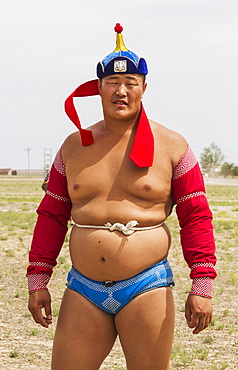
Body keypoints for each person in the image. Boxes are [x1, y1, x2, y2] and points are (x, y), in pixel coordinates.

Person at [27, 23, 216, 370]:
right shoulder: (72, 147)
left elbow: (197, 217)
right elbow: (51, 215)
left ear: (144, 88)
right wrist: (38, 279)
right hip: (83, 289)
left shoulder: (174, 146)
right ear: (98, 88)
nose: (121, 90)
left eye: (131, 83)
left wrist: (201, 283)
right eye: (113, 82)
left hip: (147, 286)